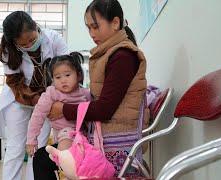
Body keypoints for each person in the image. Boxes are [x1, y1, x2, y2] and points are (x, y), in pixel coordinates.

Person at [32, 0, 148, 178]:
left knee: (42, 158)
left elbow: (104, 109)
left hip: (113, 142)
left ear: (115, 23)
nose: (91, 33)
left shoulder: (122, 57)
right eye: (88, 28)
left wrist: (62, 108)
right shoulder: (111, 54)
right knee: (44, 155)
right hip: (104, 132)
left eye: (95, 27)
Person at [0, 11, 68, 180]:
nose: (30, 45)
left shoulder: (54, 40)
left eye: (32, 39)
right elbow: (15, 83)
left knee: (37, 147)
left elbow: (67, 70)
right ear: (14, 42)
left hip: (47, 99)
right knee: (15, 147)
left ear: (35, 26)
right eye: (24, 44)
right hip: (18, 99)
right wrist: (40, 101)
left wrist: (50, 102)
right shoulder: (8, 50)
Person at [26, 52, 91, 158]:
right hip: (63, 133)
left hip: (83, 134)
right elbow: (38, 116)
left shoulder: (85, 93)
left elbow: (93, 112)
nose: (63, 80)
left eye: (67, 75)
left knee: (84, 157)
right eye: (58, 77)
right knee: (66, 156)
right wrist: (31, 140)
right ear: (53, 79)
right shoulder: (52, 93)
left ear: (79, 75)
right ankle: (63, 168)